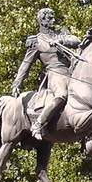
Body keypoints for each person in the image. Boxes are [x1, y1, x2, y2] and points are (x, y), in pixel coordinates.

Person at [11, 8, 80, 140]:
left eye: (53, 18)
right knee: (61, 95)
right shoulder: (37, 41)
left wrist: (61, 41)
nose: (53, 21)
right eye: (49, 18)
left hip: (72, 73)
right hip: (55, 73)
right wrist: (16, 83)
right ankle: (38, 124)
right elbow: (26, 64)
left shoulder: (61, 34)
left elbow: (77, 41)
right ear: (42, 21)